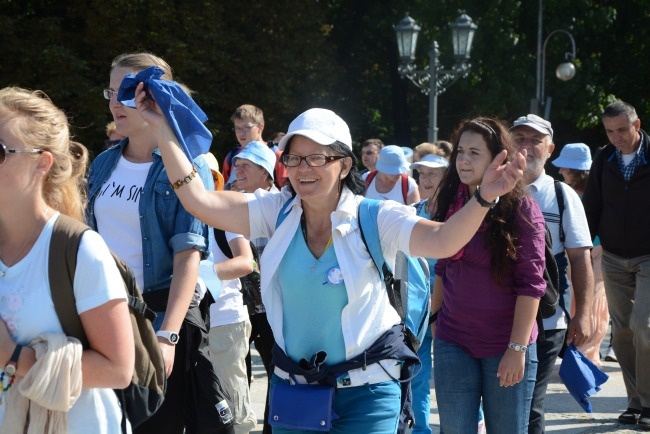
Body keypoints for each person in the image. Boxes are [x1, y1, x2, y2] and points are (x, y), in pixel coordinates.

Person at [134, 93, 526, 432]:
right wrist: (163, 131)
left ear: (343, 164)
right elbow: (199, 201)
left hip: (369, 394)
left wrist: (484, 198)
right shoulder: (278, 212)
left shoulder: (375, 216)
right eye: (296, 158)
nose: (304, 169)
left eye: (317, 157)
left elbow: (443, 240)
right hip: (296, 391)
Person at [87, 52, 226, 434]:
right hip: (105, 315)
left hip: (159, 318)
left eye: (127, 92)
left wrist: (168, 336)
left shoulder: (185, 167)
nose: (116, 102)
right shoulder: (102, 163)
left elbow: (189, 255)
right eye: (111, 92)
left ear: (154, 97)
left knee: (156, 427)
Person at [0, 87, 134, 433]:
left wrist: (15, 358)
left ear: (41, 163)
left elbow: (119, 369)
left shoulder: (79, 250)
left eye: (0, 151)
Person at [431, 117, 545, 434]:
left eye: (474, 153)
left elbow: (532, 285)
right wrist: (434, 319)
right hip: (453, 341)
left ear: (498, 158)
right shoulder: (450, 200)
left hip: (506, 344)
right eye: (460, 152)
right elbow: (443, 266)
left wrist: (517, 349)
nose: (464, 160)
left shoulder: (521, 207)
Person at [510, 114, 594, 434]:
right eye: (520, 138)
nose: (527, 147)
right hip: (496, 316)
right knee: (500, 401)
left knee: (530, 404)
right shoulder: (491, 189)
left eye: (535, 140)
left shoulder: (562, 195)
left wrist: (582, 314)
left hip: (546, 320)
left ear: (550, 148)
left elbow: (579, 258)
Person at [582, 101, 650, 429]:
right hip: (612, 256)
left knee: (645, 327)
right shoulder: (603, 158)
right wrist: (582, 247)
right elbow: (591, 205)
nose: (616, 137)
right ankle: (635, 401)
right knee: (621, 333)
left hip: (648, 256)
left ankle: (648, 401)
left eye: (622, 130)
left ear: (638, 125)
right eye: (610, 132)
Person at [231, 141, 279, 434]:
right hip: (240, 308)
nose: (238, 171)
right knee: (241, 375)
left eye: (246, 166)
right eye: (237, 165)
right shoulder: (232, 204)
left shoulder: (283, 206)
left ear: (266, 173)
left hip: (272, 309)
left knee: (278, 374)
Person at [551, 143, 609, 367]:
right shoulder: (565, 193)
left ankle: (586, 356)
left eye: (565, 168)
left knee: (593, 306)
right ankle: (578, 356)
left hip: (596, 253)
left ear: (575, 170)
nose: (560, 171)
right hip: (577, 255)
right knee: (580, 305)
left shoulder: (596, 193)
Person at [409, 151, 449, 434]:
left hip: (453, 304)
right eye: (422, 173)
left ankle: (473, 422)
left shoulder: (460, 214)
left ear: (447, 177)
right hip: (419, 306)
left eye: (433, 173)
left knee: (456, 373)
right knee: (418, 373)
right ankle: (421, 429)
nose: (426, 178)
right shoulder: (413, 212)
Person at [222, 104, 288, 188]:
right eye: (237, 128)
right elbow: (224, 189)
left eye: (246, 128)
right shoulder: (231, 156)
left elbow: (287, 191)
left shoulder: (277, 154)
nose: (241, 133)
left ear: (260, 128)